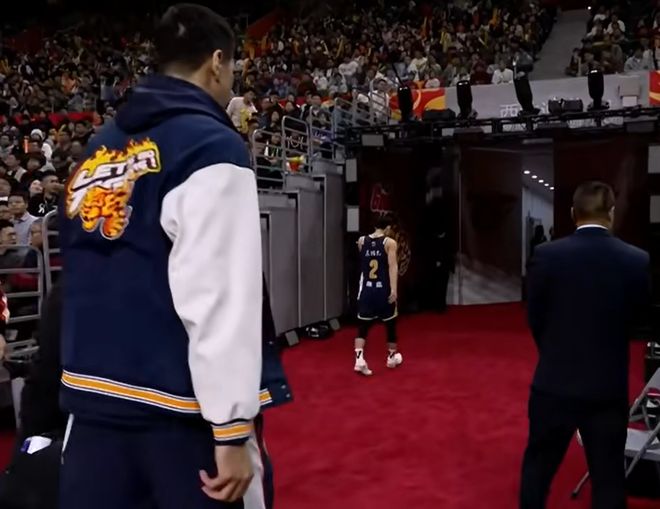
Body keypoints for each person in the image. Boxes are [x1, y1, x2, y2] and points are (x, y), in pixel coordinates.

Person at [60, 5, 264, 509]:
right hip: (175, 414)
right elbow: (220, 296)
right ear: (217, 63)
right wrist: (232, 427)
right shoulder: (211, 146)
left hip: (89, 406)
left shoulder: (97, 148)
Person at [520, 182, 651, 509]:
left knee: (537, 471)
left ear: (572, 214)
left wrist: (555, 352)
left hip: (553, 383)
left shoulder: (546, 256)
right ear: (611, 213)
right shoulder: (636, 260)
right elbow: (638, 322)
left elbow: (535, 317)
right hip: (606, 389)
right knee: (608, 480)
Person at [353, 214, 403, 376]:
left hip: (367, 290)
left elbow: (364, 263)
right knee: (390, 324)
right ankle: (391, 358)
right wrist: (394, 290)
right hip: (383, 290)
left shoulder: (362, 241)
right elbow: (392, 267)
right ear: (387, 227)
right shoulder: (390, 243)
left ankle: (359, 360)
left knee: (363, 326)